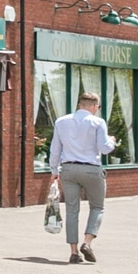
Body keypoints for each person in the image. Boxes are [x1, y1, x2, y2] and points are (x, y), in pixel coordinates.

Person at [47, 89, 113, 264]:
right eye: (97, 107)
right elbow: (104, 148)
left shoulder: (61, 122)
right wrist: (112, 141)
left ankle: (74, 252)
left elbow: (55, 150)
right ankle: (87, 242)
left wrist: (54, 171)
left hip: (68, 169)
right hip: (91, 169)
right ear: (94, 106)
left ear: (79, 105)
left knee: (72, 210)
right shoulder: (98, 122)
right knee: (98, 207)